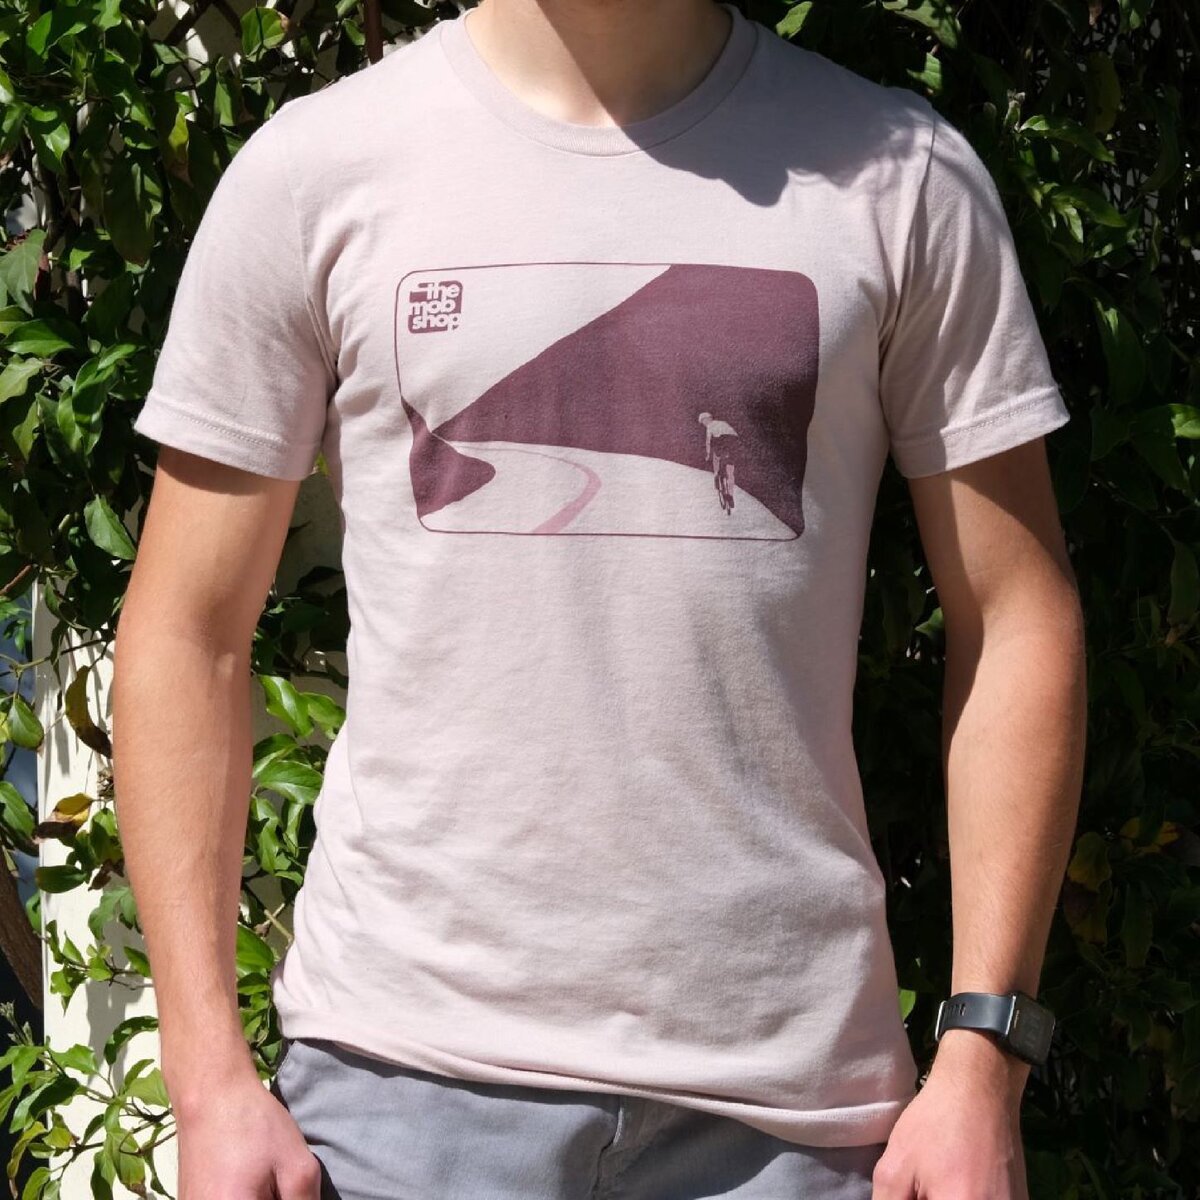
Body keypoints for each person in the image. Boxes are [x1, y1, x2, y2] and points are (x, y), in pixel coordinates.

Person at [111, 1, 1087, 1197]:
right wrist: (204, 1076)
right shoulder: (316, 171)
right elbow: (186, 633)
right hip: (402, 1095)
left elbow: (1015, 616)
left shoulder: (901, 180)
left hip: (788, 1117)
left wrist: (984, 1059)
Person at [698, 411, 740, 512]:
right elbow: (734, 434)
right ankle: (730, 495)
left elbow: (708, 442)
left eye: (703, 422)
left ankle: (716, 474)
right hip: (733, 442)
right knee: (730, 471)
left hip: (722, 441)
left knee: (715, 456)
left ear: (707, 419)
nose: (704, 424)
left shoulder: (710, 426)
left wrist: (708, 454)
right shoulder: (723, 423)